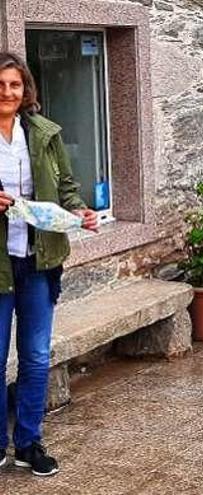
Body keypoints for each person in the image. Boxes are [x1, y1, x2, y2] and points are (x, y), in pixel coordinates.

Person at [0, 52, 98, 476]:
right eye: (0, 85)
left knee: (37, 357)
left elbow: (66, 186)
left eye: (14, 85)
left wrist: (81, 211)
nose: (7, 93)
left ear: (26, 90)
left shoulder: (43, 133)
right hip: (0, 266)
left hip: (40, 260)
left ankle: (28, 442)